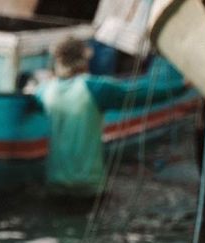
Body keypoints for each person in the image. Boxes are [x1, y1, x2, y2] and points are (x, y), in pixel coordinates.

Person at [35, 37, 134, 199]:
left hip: (55, 187)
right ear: (84, 61)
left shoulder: (45, 91)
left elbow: (33, 100)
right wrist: (181, 86)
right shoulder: (96, 87)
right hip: (90, 188)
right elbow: (143, 94)